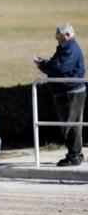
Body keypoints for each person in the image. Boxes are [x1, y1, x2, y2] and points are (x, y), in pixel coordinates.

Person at [33, 23, 85, 166]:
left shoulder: (70, 48)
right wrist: (44, 63)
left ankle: (74, 156)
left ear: (67, 35)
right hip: (67, 91)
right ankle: (75, 154)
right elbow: (57, 64)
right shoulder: (66, 47)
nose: (56, 38)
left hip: (70, 91)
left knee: (71, 125)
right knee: (70, 125)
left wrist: (42, 65)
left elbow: (59, 67)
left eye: (58, 35)